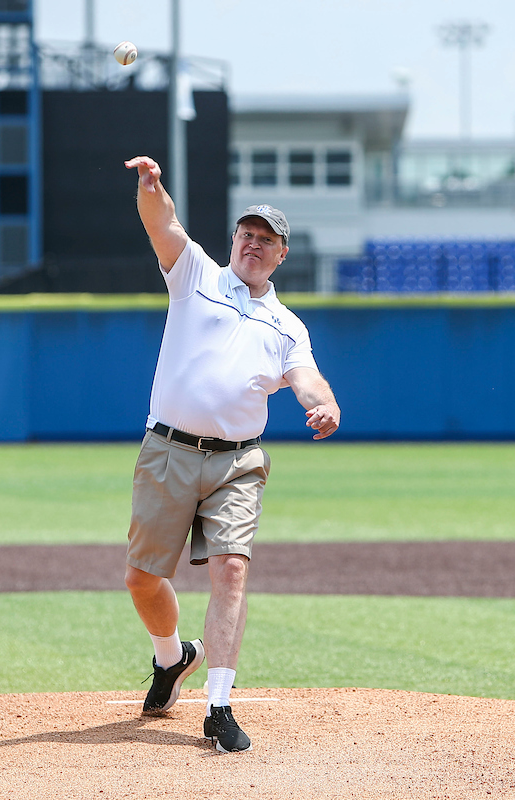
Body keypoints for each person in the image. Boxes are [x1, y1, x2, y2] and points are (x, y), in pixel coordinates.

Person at [121, 155, 341, 753]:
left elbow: (308, 380)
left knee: (232, 569)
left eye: (265, 239)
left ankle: (218, 708)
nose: (252, 244)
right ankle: (173, 658)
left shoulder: (286, 326)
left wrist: (326, 407)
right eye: (246, 234)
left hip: (236, 462)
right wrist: (151, 187)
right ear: (235, 240)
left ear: (280, 255)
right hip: (168, 448)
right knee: (142, 580)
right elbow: (163, 225)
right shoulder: (196, 273)